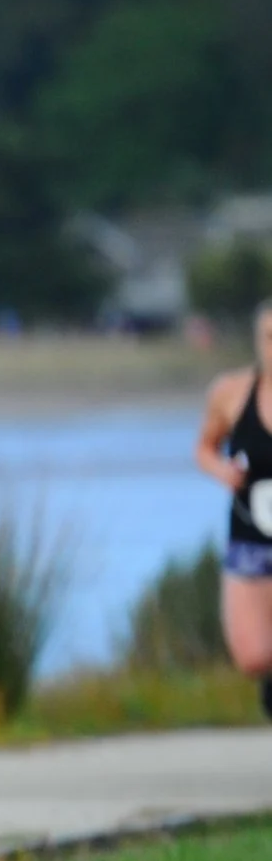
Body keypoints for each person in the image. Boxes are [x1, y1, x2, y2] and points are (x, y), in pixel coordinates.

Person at [194, 299, 272, 719]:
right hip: (251, 540)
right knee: (254, 657)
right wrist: (221, 470)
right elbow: (204, 449)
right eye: (270, 338)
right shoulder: (231, 392)